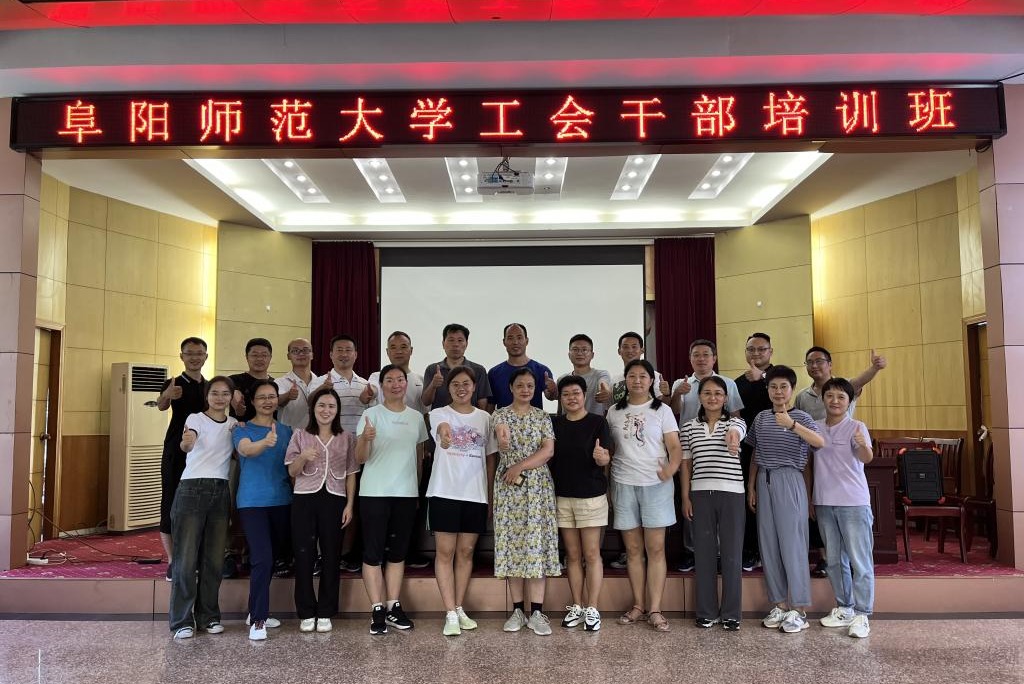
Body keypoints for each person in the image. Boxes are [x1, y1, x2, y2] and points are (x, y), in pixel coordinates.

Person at [745, 365, 825, 634]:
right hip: (764, 480)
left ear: (792, 389)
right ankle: (779, 604)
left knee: (793, 544)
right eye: (773, 387)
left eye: (783, 387)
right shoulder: (761, 418)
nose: (778, 392)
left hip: (790, 479)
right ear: (767, 390)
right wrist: (751, 486)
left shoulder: (801, 417)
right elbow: (755, 453)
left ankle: (799, 609)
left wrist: (791, 425)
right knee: (768, 545)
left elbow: (818, 443)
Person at [795, 346, 886, 578]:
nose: (815, 365)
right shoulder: (802, 396)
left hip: (847, 462)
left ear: (830, 364)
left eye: (820, 361)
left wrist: (875, 368)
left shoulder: (845, 390)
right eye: (810, 362)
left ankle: (859, 591)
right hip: (818, 460)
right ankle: (826, 562)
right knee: (831, 548)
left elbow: (859, 380)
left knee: (858, 556)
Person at [606, 359, 682, 633]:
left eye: (643, 376)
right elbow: (610, 450)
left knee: (656, 549)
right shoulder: (614, 412)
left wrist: (671, 469)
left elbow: (675, 447)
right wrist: (607, 485)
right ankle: (638, 605)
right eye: (632, 376)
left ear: (651, 381)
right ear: (625, 380)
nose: (637, 380)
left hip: (656, 484)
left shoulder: (662, 410)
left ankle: (655, 609)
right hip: (623, 483)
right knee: (633, 550)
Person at [356, 364, 429, 635]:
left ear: (406, 384)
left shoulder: (416, 418)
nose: (396, 384)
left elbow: (419, 458)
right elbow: (360, 457)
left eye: (400, 379)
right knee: (373, 553)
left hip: (406, 494)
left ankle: (392, 606)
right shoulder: (370, 414)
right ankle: (376, 608)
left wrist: (416, 490)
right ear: (381, 385)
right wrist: (365, 439)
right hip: (374, 493)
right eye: (389, 380)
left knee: (398, 553)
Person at [426, 366, 497, 636]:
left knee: (466, 553)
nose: (461, 388)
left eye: (466, 383)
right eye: (455, 384)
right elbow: (442, 430)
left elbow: (490, 459)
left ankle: (458, 607)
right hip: (444, 492)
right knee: (445, 553)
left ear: (474, 387)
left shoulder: (485, 418)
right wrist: (445, 435)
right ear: (449, 388)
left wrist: (489, 495)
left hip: (475, 495)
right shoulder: (439, 413)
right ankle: (449, 613)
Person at [492, 367, 560, 636]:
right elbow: (502, 437)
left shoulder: (542, 417)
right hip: (509, 488)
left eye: (530, 385)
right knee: (512, 546)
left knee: (536, 545)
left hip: (537, 488)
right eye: (520, 385)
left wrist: (519, 465)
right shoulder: (500, 414)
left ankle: (538, 613)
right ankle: (518, 611)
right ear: (511, 387)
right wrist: (504, 443)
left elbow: (548, 450)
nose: (525, 389)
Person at [285, 385, 358, 633]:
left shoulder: (346, 438)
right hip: (304, 499)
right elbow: (292, 471)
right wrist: (303, 457)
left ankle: (326, 610)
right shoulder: (300, 435)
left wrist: (349, 504)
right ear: (313, 409)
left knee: (331, 556)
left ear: (337, 410)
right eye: (321, 405)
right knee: (304, 555)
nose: (326, 410)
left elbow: (351, 473)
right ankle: (306, 611)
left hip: (335, 499)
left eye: (331, 406)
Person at [168, 376, 237, 640]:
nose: (220, 398)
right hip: (192, 489)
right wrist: (186, 443)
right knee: (185, 559)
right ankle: (182, 620)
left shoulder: (233, 425)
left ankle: (209, 616)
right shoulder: (195, 419)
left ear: (231, 397)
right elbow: (187, 443)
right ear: (207, 395)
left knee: (214, 559)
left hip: (220, 491)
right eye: (215, 393)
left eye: (225, 393)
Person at [669, 338, 743, 572]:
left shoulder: (728, 383)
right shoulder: (681, 383)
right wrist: (677, 394)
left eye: (706, 354)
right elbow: (673, 412)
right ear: (690, 358)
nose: (701, 359)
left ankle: (720, 553)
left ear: (714, 358)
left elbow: (736, 416)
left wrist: (734, 436)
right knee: (690, 501)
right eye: (696, 355)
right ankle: (692, 551)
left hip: (721, 450)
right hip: (690, 447)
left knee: (721, 506)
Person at [679, 376, 747, 631]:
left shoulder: (736, 422)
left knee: (732, 554)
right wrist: (685, 496)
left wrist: (733, 438)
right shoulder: (689, 427)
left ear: (726, 398)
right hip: (700, 494)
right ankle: (706, 612)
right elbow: (686, 464)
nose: (712, 398)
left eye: (718, 393)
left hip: (732, 494)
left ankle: (731, 614)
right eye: (707, 393)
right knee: (704, 554)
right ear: (699, 397)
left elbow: (736, 433)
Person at [812, 377, 875, 639]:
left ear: (849, 402)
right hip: (824, 502)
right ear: (823, 399)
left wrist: (863, 444)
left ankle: (862, 614)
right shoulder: (815, 427)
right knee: (835, 561)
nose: (835, 401)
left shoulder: (856, 426)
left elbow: (866, 458)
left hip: (853, 502)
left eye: (841, 397)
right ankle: (845, 608)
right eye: (830, 396)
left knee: (860, 561)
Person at [549, 375, 613, 632]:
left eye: (575, 393)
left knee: (591, 554)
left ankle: (592, 608)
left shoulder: (598, 422)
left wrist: (601, 457)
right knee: (572, 555)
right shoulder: (555, 424)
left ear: (584, 395)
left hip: (591, 497)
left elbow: (605, 458)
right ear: (560, 399)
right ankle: (576, 605)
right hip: (562, 497)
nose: (571, 398)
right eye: (566, 395)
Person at [232, 380, 293, 640]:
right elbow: (245, 450)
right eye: (262, 397)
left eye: (272, 396)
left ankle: (253, 610)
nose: (267, 401)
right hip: (252, 502)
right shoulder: (242, 429)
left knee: (271, 558)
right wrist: (265, 442)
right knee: (262, 558)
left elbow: (293, 466)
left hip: (282, 500)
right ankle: (258, 620)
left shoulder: (288, 431)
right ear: (253, 402)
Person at [309, 334, 376, 572]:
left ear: (356, 354)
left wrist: (368, 400)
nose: (344, 354)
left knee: (352, 505)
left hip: (357, 453)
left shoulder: (366, 384)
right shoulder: (319, 382)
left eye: (349, 350)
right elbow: (309, 407)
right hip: (327, 453)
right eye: (339, 350)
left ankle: (345, 555)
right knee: (326, 506)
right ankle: (322, 555)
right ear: (330, 354)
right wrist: (322, 391)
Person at [156, 337, 208, 581]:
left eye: (199, 353)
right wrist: (166, 395)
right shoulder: (174, 382)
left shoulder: (210, 386)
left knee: (197, 504)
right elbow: (161, 406)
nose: (194, 357)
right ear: (182, 356)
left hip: (203, 451)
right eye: (190, 353)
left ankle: (195, 556)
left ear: (206, 357)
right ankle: (172, 560)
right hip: (176, 450)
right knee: (170, 500)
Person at [734, 332, 775, 572]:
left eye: (761, 349)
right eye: (751, 349)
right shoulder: (737, 382)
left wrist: (764, 379)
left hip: (774, 449)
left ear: (770, 351)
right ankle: (751, 551)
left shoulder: (779, 375)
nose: (756, 353)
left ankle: (770, 551)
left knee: (770, 502)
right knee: (748, 500)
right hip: (746, 449)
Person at [421, 323, 492, 411]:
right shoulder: (432, 369)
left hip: (469, 419)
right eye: (451, 340)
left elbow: (483, 403)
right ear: (443, 344)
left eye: (460, 340)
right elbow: (426, 402)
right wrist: (433, 385)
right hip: (440, 418)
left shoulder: (478, 370)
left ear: (466, 344)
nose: (455, 344)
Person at [542, 333, 613, 415]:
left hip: (594, 422)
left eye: (584, 350)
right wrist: (550, 391)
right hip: (567, 422)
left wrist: (605, 392)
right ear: (569, 355)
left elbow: (604, 385)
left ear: (592, 355)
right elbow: (554, 399)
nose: (579, 353)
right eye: (575, 349)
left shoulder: (600, 374)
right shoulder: (562, 378)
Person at [488, 323, 553, 410]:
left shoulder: (542, 370)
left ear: (526, 341)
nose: (515, 342)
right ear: (504, 342)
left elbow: (550, 396)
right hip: (503, 419)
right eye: (510, 338)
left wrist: (553, 391)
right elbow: (490, 405)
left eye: (519, 338)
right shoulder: (494, 373)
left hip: (534, 418)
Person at [368, 331, 426, 414]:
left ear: (411, 350)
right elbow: (373, 389)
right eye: (393, 347)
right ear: (387, 351)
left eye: (403, 347)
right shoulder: (377, 376)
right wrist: (370, 392)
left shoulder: (421, 380)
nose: (398, 351)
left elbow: (425, 411)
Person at [609, 332, 671, 405]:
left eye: (634, 347)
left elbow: (664, 405)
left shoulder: (654, 375)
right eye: (625, 347)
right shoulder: (614, 381)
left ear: (642, 350)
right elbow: (610, 408)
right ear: (619, 351)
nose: (630, 351)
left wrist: (666, 395)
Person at [275, 338, 321, 431]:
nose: (301, 354)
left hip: (316, 435)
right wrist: (287, 396)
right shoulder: (280, 382)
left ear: (312, 355)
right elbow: (275, 402)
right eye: (295, 351)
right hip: (289, 435)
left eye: (305, 350)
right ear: (288, 356)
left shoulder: (321, 382)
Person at [229, 338, 274, 422]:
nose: (259, 359)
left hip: (271, 429)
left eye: (264, 355)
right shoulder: (233, 380)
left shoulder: (276, 383)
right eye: (254, 355)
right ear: (247, 357)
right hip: (240, 429)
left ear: (270, 358)